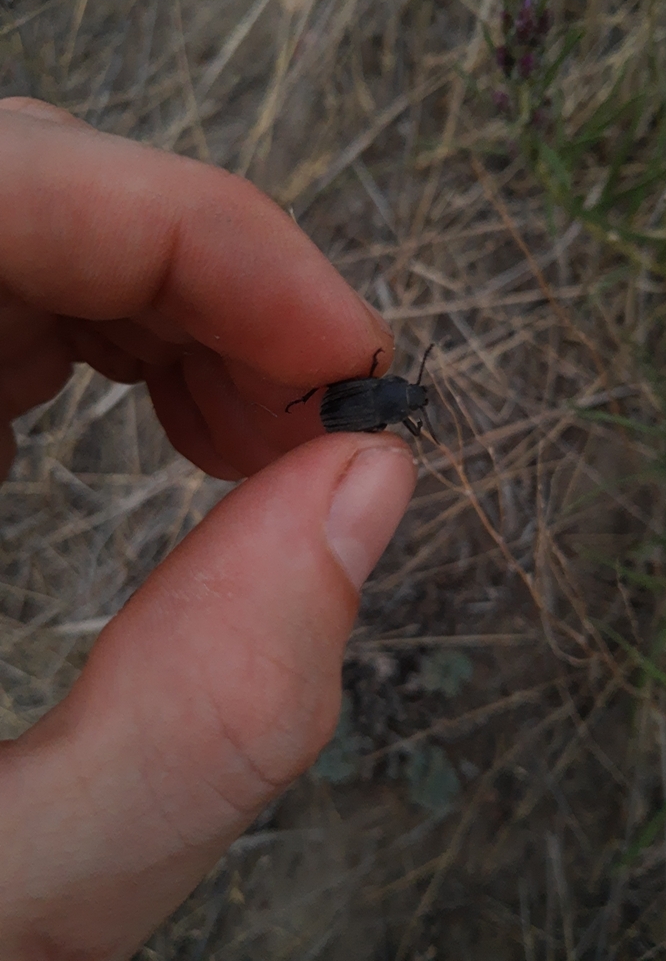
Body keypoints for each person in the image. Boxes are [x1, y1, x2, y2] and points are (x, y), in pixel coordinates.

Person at [0, 98, 417, 960]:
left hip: (339, 405)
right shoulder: (380, 397)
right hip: (341, 405)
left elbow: (358, 402)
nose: (411, 406)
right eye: (413, 407)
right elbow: (361, 403)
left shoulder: (379, 393)